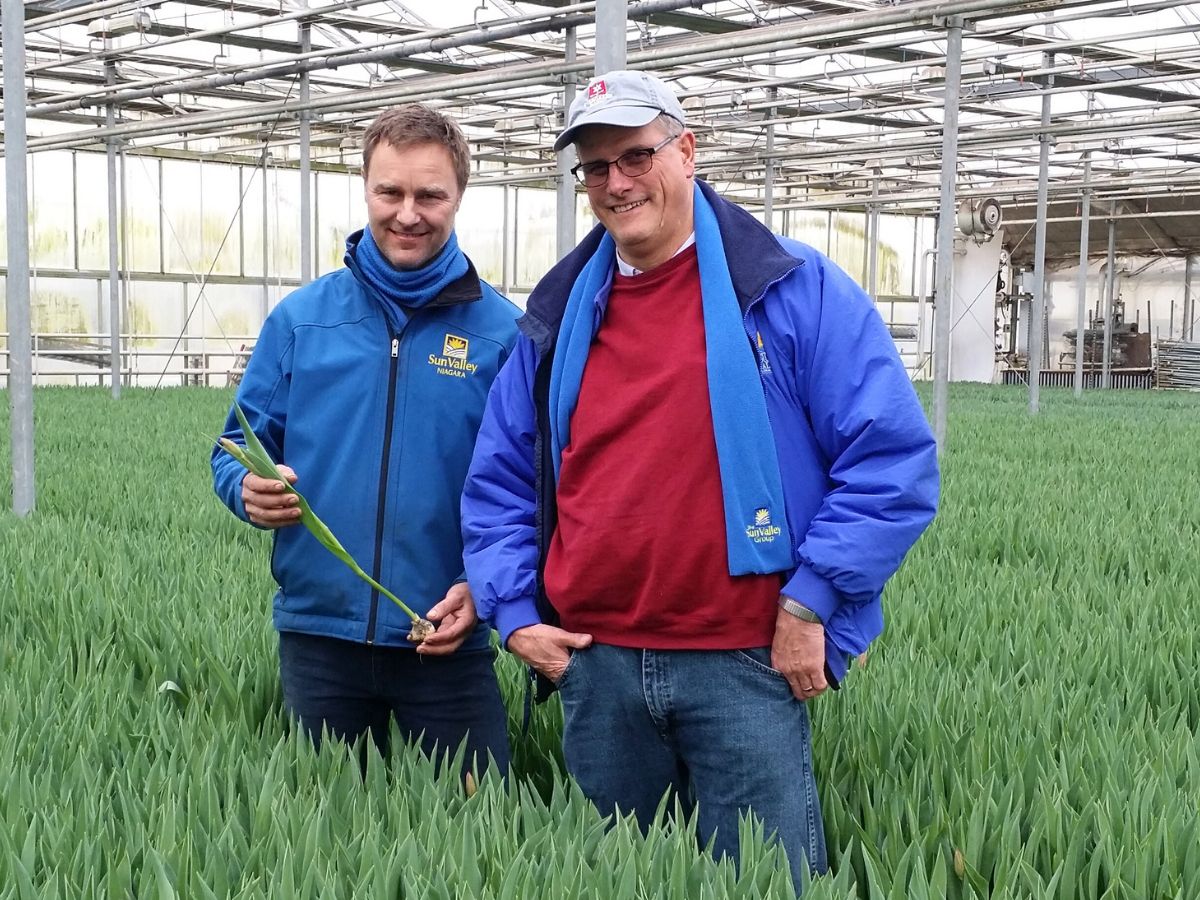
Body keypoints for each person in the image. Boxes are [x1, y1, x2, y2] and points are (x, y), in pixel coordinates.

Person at [460, 71, 939, 887]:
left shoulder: (791, 289)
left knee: (764, 881)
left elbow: (892, 460)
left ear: (686, 150)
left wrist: (810, 599)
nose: (617, 182)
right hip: (597, 664)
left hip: (744, 658)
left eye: (636, 155)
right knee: (619, 882)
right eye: (596, 167)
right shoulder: (559, 310)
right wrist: (511, 613)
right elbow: (502, 476)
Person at [212, 104, 520, 776]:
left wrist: (484, 586)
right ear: (366, 190)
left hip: (446, 638)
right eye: (391, 192)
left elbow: (532, 485)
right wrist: (247, 489)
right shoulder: (302, 321)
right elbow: (234, 444)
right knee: (325, 845)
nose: (408, 212)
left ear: (458, 197)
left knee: (478, 844)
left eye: (429, 195)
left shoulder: (503, 335)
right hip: (320, 638)